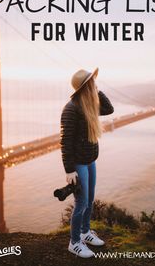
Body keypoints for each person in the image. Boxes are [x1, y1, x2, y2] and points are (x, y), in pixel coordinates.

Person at [60, 67, 114, 258]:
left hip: (90, 160)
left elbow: (109, 108)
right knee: (81, 203)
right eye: (91, 82)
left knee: (90, 200)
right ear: (84, 87)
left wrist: (96, 89)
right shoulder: (71, 108)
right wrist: (69, 170)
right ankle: (74, 243)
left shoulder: (89, 103)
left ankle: (85, 232)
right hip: (78, 164)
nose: (95, 83)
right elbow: (65, 141)